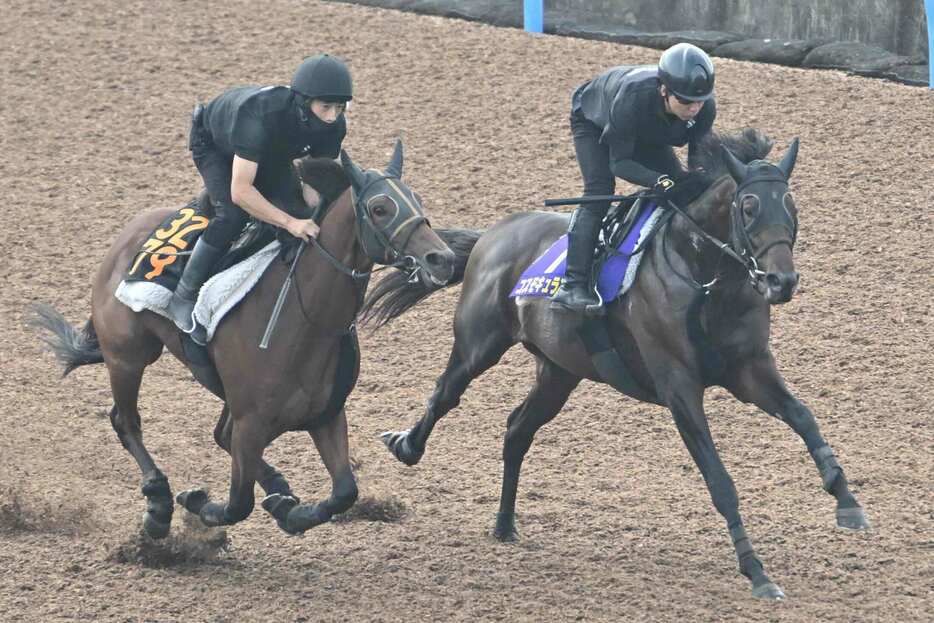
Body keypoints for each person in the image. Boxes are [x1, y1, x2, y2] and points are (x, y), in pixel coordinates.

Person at [166, 53, 353, 335]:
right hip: (216, 147)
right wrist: (290, 223)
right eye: (326, 107)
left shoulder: (334, 126)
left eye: (339, 108)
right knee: (232, 213)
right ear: (304, 102)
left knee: (304, 214)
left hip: (268, 154)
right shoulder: (259, 115)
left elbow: (313, 185)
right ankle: (183, 293)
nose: (332, 117)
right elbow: (241, 192)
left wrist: (309, 215)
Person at [551, 43, 717, 313]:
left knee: (682, 188)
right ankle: (573, 285)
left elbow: (696, 167)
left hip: (647, 129)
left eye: (700, 101)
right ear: (664, 90)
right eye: (686, 101)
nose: (694, 108)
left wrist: (691, 182)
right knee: (598, 190)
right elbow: (620, 163)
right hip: (594, 120)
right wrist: (658, 181)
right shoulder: (633, 99)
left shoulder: (704, 108)